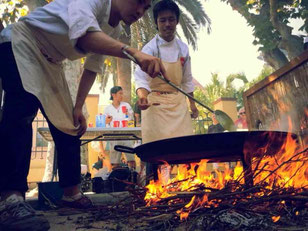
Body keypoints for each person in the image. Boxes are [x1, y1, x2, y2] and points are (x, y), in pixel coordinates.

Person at [0, 0, 168, 230]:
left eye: (146, 7)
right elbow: (85, 37)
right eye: (138, 1)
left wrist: (78, 106)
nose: (141, 11)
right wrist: (133, 52)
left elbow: (92, 67)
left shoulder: (115, 30)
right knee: (21, 112)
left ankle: (70, 195)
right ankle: (11, 199)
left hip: (51, 62)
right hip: (22, 41)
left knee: (70, 123)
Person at [134, 0, 198, 145]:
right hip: (155, 106)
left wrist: (193, 105)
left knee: (184, 150)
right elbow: (140, 78)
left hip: (178, 107)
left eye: (171, 19)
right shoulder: (149, 49)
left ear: (177, 21)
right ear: (156, 23)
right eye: (162, 20)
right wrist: (143, 96)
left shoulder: (183, 49)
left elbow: (187, 80)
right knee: (156, 153)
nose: (167, 24)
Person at [104, 86, 136, 170]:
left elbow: (131, 119)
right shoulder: (108, 109)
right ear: (113, 95)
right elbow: (105, 124)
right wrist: (106, 122)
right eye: (120, 93)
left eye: (122, 93)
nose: (122, 95)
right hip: (114, 136)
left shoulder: (126, 105)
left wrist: (128, 113)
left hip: (126, 135)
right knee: (115, 163)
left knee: (131, 159)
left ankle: (133, 178)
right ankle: (116, 179)